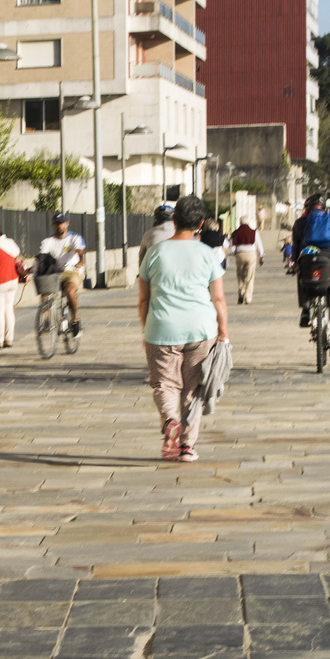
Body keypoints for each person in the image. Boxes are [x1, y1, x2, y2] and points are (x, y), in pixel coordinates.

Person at [138, 195, 228, 463]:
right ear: (200, 224)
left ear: (174, 220)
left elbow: (144, 298)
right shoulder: (207, 254)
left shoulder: (154, 252)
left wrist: (146, 329)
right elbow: (219, 298)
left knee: (165, 383)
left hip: (161, 328)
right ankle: (187, 445)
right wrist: (223, 330)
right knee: (193, 389)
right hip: (201, 330)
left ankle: (170, 422)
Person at [291, 195, 330, 355]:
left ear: (307, 208)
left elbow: (295, 246)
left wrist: (294, 262)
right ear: (324, 207)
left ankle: (305, 311)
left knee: (301, 273)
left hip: (307, 259)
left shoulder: (300, 223)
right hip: (329, 262)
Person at [38, 212, 87, 337]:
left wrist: (81, 261)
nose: (59, 226)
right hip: (55, 272)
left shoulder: (74, 238)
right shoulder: (48, 241)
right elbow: (41, 255)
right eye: (56, 224)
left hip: (72, 271)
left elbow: (80, 251)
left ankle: (75, 319)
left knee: (70, 292)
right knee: (45, 292)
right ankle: (47, 321)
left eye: (61, 223)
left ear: (66, 223)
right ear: (53, 226)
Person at [226, 215, 265, 305]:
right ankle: (248, 298)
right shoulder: (254, 232)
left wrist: (234, 253)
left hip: (240, 254)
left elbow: (232, 247)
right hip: (251, 254)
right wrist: (261, 255)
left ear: (240, 222)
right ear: (248, 222)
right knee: (250, 276)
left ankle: (241, 293)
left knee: (240, 275)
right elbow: (259, 244)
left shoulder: (235, 232)